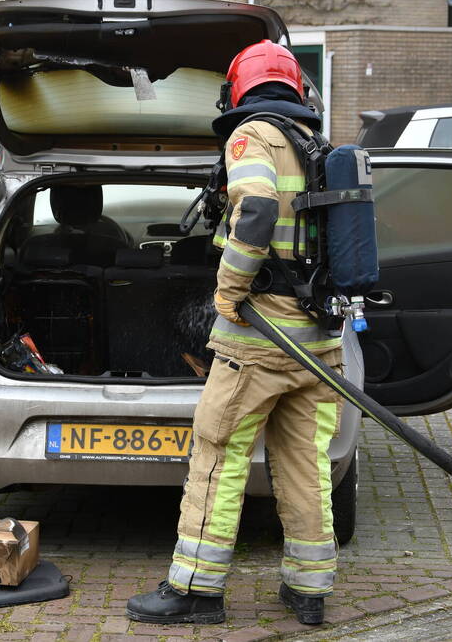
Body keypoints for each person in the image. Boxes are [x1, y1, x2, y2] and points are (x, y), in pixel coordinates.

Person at [125, 40, 344, 626]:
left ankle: (195, 590)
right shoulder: (314, 145)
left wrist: (226, 293)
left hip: (259, 341)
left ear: (237, 90)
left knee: (217, 454)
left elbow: (256, 213)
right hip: (319, 343)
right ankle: (309, 590)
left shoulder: (252, 137)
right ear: (296, 89)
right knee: (305, 464)